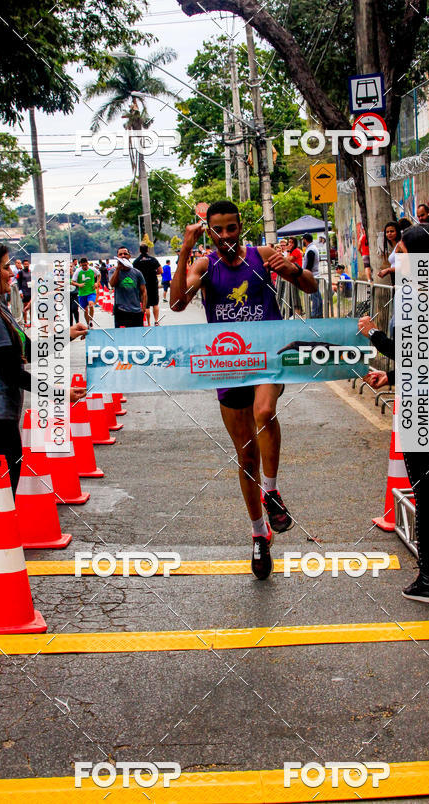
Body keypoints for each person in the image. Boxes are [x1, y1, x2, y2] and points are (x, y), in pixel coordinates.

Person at [170, 201, 317, 580]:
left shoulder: (263, 256)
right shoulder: (206, 266)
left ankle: (272, 491)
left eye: (231, 228)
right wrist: (187, 248)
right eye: (217, 230)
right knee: (245, 456)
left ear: (240, 228)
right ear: (209, 231)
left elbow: (311, 286)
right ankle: (258, 532)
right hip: (227, 365)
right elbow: (176, 302)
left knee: (265, 412)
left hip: (268, 357)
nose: (225, 237)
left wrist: (294, 270)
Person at [359, 223, 429, 603]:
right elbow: (428, 359)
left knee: (424, 488)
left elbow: (414, 352)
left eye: (404, 252)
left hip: (422, 400)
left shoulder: (422, 295)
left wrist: (376, 337)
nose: (398, 259)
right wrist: (391, 375)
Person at [0, 243, 87, 494]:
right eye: (5, 266)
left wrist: (66, 335)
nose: (12, 272)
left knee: (4, 499)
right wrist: (59, 395)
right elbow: (13, 373)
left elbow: (26, 352)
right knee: (2, 501)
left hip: (0, 421)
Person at [110, 245, 147, 328]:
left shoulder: (137, 273)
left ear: (129, 256)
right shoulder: (113, 271)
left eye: (125, 254)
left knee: (137, 336)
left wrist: (143, 309)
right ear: (117, 257)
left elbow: (143, 291)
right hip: (121, 311)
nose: (123, 256)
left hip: (136, 311)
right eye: (120, 254)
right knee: (122, 337)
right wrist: (118, 269)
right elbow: (112, 284)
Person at [133, 244, 162, 326]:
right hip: (153, 283)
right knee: (155, 304)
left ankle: (148, 323)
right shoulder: (153, 259)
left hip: (142, 284)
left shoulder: (136, 261)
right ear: (147, 250)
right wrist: (154, 273)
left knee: (146, 305)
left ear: (139, 250)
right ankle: (156, 321)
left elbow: (134, 273)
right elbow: (160, 270)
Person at [72, 257, 100, 327]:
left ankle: (91, 320)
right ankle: (88, 324)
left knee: (91, 304)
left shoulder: (92, 269)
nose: (84, 267)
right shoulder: (78, 271)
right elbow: (72, 282)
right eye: (83, 265)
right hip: (82, 293)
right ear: (80, 264)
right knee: (85, 310)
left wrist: (97, 283)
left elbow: (99, 275)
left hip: (91, 291)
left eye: (86, 265)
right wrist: (79, 284)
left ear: (88, 263)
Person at [302, 233, 322, 318]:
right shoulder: (312, 248)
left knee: (315, 297)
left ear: (305, 240)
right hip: (313, 275)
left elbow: (309, 264)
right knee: (316, 296)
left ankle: (316, 314)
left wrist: (306, 274)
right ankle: (317, 313)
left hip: (313, 276)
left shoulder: (311, 250)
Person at [16, 258, 32, 328]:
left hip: (31, 291)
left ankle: (31, 322)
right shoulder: (20, 272)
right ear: (23, 265)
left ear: (29, 264)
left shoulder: (31, 272)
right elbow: (18, 283)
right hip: (24, 292)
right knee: (25, 307)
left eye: (27, 264)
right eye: (25, 264)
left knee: (31, 307)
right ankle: (25, 322)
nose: (26, 265)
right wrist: (20, 292)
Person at [69, 262, 80, 327]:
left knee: (75, 309)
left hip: (75, 295)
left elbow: (79, 284)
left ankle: (77, 322)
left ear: (72, 267)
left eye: (70, 266)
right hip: (67, 295)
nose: (69, 268)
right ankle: (71, 326)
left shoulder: (75, 276)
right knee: (69, 311)